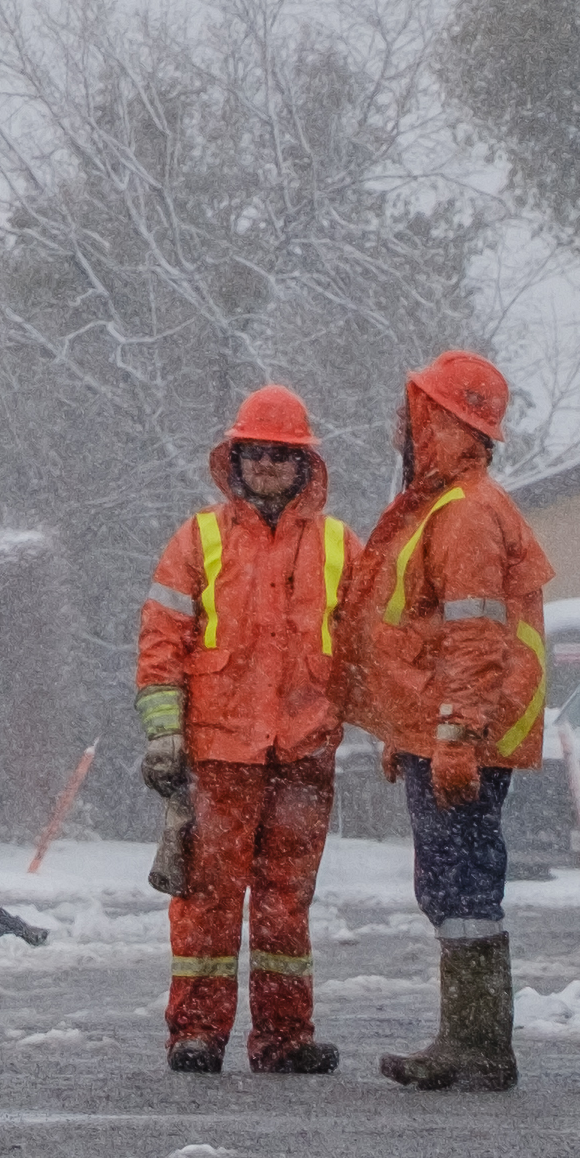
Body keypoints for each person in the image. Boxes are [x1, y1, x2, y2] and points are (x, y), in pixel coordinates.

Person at [346, 346, 553, 1093]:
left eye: (412, 414)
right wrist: (413, 732)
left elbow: (472, 639)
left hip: (467, 735)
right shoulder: (453, 506)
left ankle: (476, 1044)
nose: (397, 429)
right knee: (454, 883)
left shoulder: (462, 514)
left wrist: (455, 736)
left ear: (440, 420)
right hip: (451, 731)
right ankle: (468, 1038)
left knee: (460, 884)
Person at [132, 383, 355, 1075]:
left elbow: (368, 646)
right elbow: (160, 639)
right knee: (207, 902)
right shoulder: (197, 538)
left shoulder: (340, 545)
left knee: (286, 908)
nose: (266, 464)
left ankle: (284, 1040)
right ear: (235, 460)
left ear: (301, 465)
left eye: (280, 454)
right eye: (255, 452)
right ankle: (195, 1035)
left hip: (302, 755)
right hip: (220, 753)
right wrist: (164, 733)